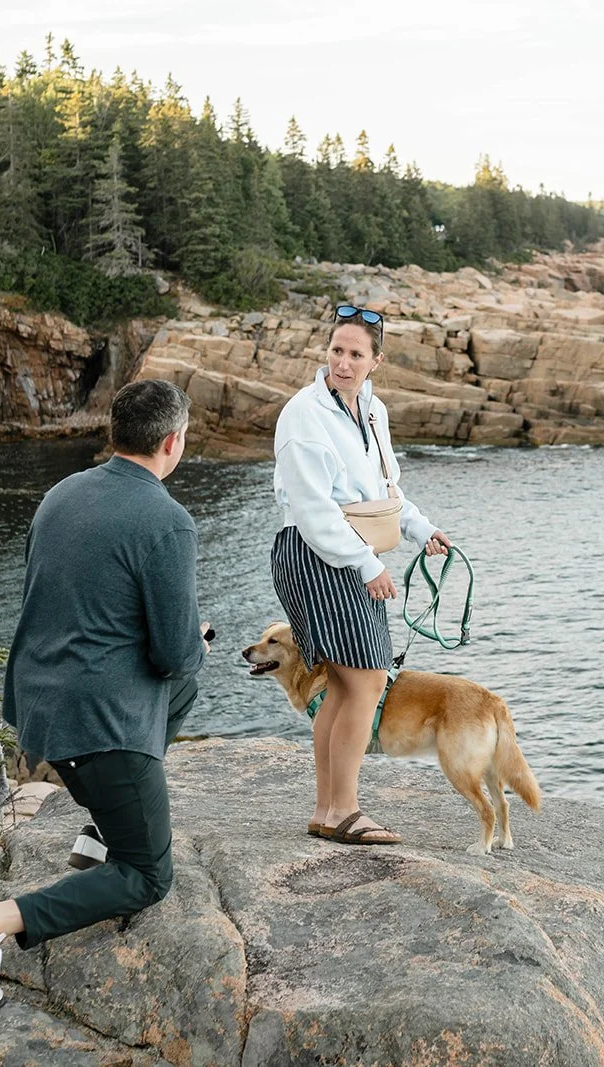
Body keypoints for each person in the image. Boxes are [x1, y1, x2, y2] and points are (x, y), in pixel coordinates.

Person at [0, 378, 207, 1015]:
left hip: (37, 707)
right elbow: (172, 654)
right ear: (174, 441)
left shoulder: (61, 494)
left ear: (115, 435)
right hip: (96, 725)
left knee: (184, 682)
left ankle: (103, 831)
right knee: (147, 877)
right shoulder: (168, 520)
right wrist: (197, 641)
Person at [271, 304, 454, 846]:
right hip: (313, 554)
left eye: (355, 354)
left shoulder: (372, 410)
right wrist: (369, 564)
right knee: (368, 680)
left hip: (346, 552)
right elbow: (312, 509)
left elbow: (385, 491)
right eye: (336, 351)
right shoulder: (304, 415)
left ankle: (329, 811)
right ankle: (342, 810)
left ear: (376, 361)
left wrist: (423, 530)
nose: (343, 363)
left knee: (349, 684)